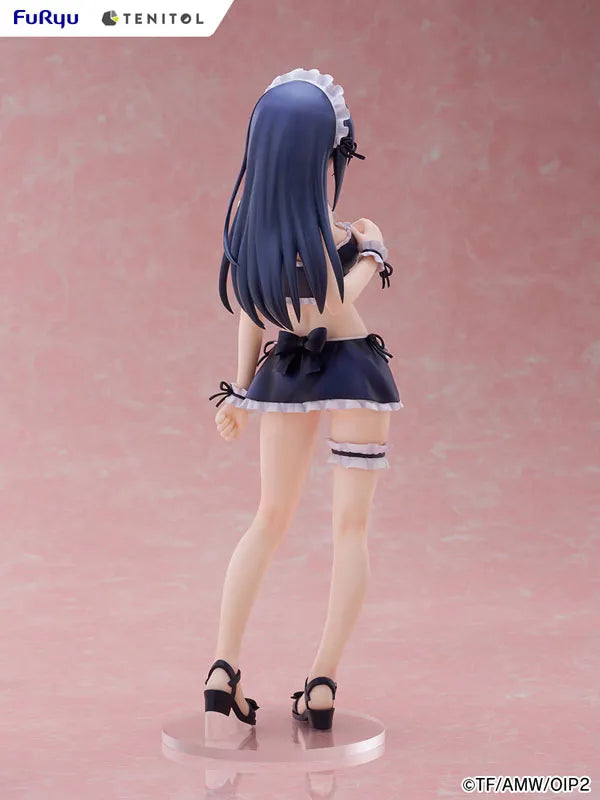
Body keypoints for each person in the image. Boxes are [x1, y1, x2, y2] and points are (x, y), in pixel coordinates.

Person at [204, 68, 403, 731]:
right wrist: (371, 253)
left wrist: (240, 389)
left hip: (287, 367)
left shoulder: (253, 231)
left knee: (269, 517)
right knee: (349, 529)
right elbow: (333, 303)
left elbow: (250, 312)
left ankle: (222, 668)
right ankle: (322, 682)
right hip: (351, 370)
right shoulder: (325, 235)